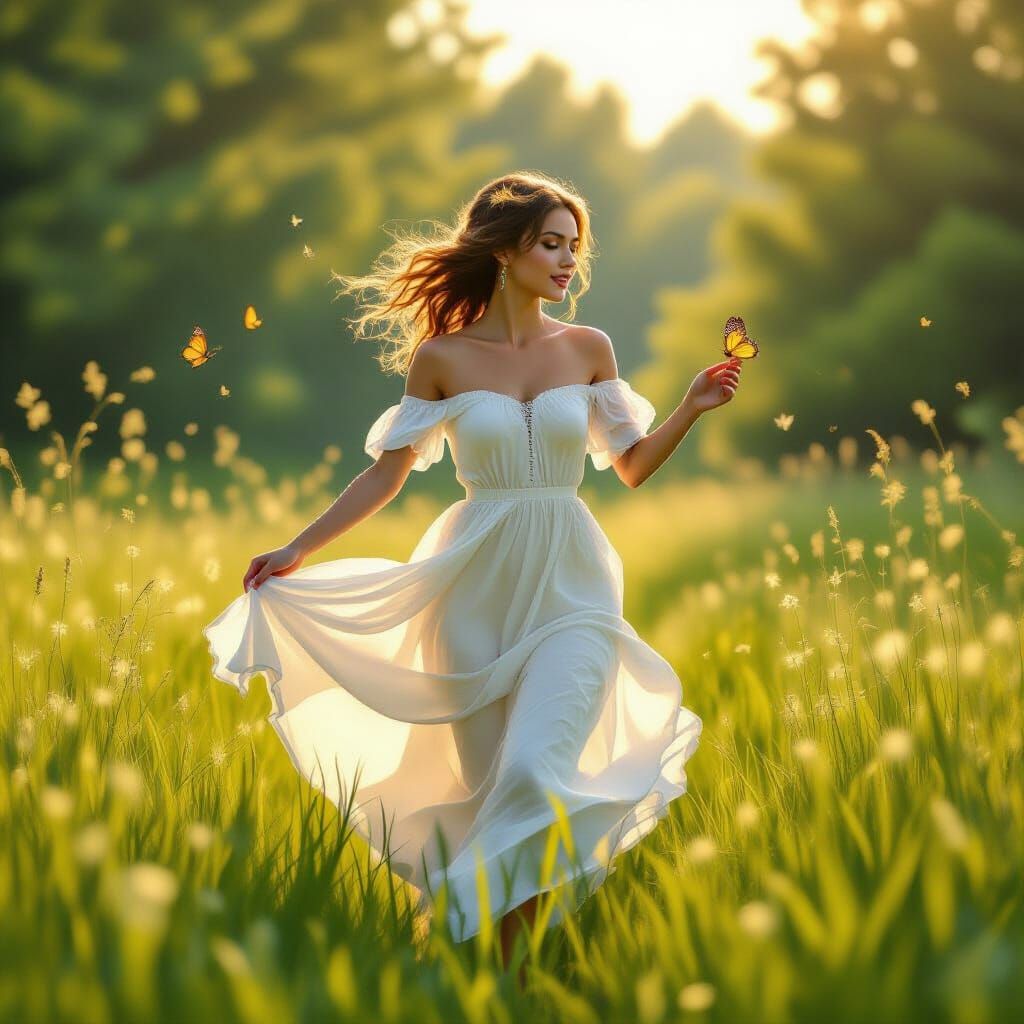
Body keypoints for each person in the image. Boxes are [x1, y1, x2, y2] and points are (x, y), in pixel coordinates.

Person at [202, 171, 742, 988]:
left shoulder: (589, 348)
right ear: (504, 250)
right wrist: (296, 548)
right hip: (470, 588)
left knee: (535, 776)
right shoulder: (443, 358)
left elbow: (629, 467)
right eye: (550, 244)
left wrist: (691, 408)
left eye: (573, 246)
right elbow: (385, 477)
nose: (566, 261)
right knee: (490, 791)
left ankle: (480, 948)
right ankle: (498, 980)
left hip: (573, 587)